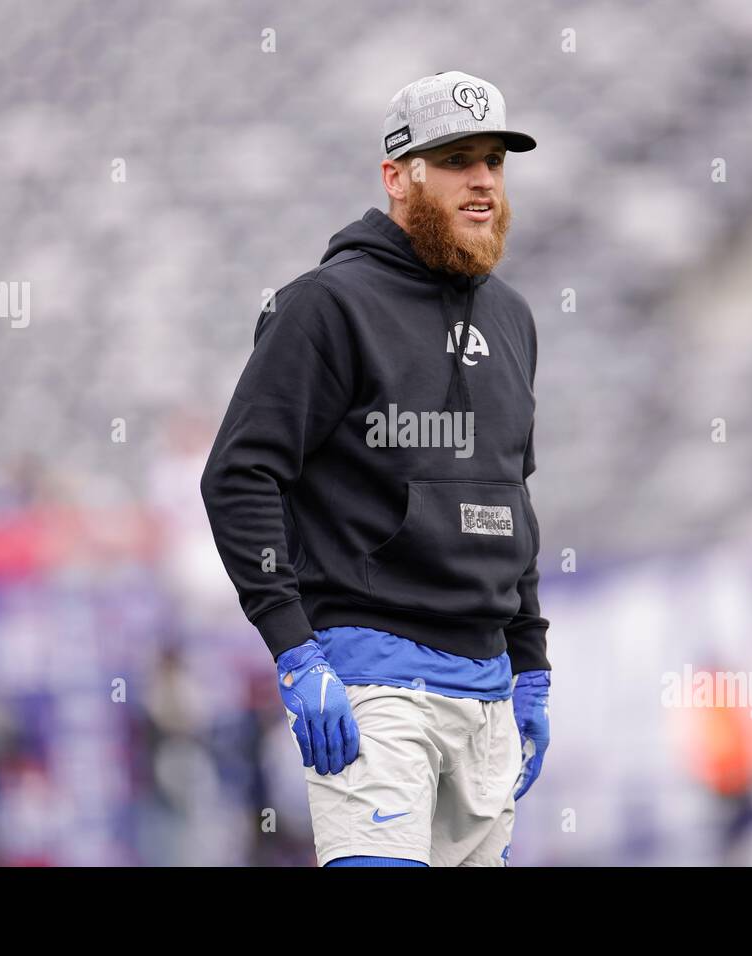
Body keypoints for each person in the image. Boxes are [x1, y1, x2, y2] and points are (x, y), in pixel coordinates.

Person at [201, 71, 550, 867]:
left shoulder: (513, 317)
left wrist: (531, 667)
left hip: (489, 689)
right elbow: (239, 475)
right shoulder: (326, 306)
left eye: (494, 160)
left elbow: (513, 501)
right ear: (398, 176)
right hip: (375, 684)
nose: (483, 181)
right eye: (457, 159)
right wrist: (294, 649)